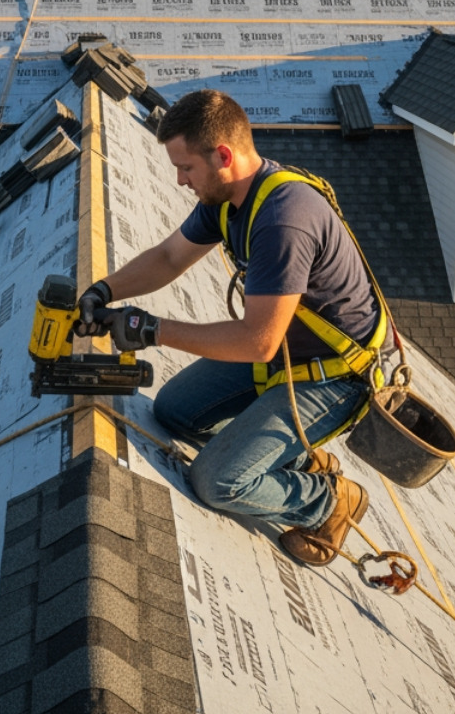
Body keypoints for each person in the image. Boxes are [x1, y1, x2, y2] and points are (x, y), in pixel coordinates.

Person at [79, 89, 390, 565]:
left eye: (186, 168)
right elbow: (167, 258)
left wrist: (150, 330)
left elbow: (257, 342)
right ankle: (301, 459)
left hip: (334, 377)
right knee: (174, 412)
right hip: (286, 352)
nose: (181, 181)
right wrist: (103, 291)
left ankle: (328, 502)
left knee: (216, 481)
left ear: (223, 155)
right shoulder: (228, 198)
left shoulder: (284, 220)